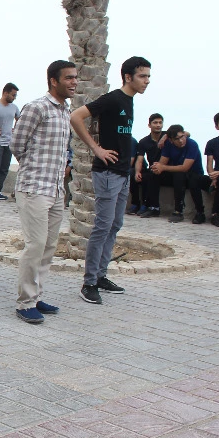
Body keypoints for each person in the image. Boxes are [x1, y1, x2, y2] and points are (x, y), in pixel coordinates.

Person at [72, 56, 151, 304]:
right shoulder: (113, 99)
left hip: (122, 174)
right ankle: (89, 283)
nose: (147, 81)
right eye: (142, 76)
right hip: (107, 174)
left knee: (115, 225)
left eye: (148, 76)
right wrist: (96, 149)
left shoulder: (129, 101)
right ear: (128, 77)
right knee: (102, 227)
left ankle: (101, 275)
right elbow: (76, 117)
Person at [11, 61, 76, 324]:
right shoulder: (36, 108)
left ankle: (36, 296)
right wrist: (33, 167)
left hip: (56, 190)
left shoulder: (66, 111)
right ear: (53, 81)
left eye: (75, 78)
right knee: (35, 245)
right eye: (68, 78)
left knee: (48, 246)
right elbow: (16, 144)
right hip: (34, 188)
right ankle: (25, 303)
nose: (74, 82)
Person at [150, 124, 206, 224]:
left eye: (182, 137)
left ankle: (196, 212)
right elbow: (162, 163)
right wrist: (157, 167)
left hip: (194, 175)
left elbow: (185, 168)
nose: (181, 140)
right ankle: (154, 208)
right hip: (177, 173)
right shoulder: (168, 144)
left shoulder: (192, 144)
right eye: (177, 139)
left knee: (182, 176)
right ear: (171, 140)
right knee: (153, 175)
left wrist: (163, 167)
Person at [0, 83, 19, 201]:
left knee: (4, 168)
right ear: (5, 93)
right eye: (13, 95)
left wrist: (15, 129)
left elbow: (20, 120)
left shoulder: (14, 107)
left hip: (8, 143)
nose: (14, 97)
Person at [133, 113, 165, 216]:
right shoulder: (144, 142)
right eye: (155, 123)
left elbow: (185, 134)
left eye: (160, 123)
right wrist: (137, 172)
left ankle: (154, 207)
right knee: (136, 174)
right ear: (149, 125)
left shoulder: (168, 136)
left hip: (166, 169)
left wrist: (166, 136)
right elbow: (140, 159)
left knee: (152, 176)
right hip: (152, 169)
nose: (158, 125)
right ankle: (139, 205)